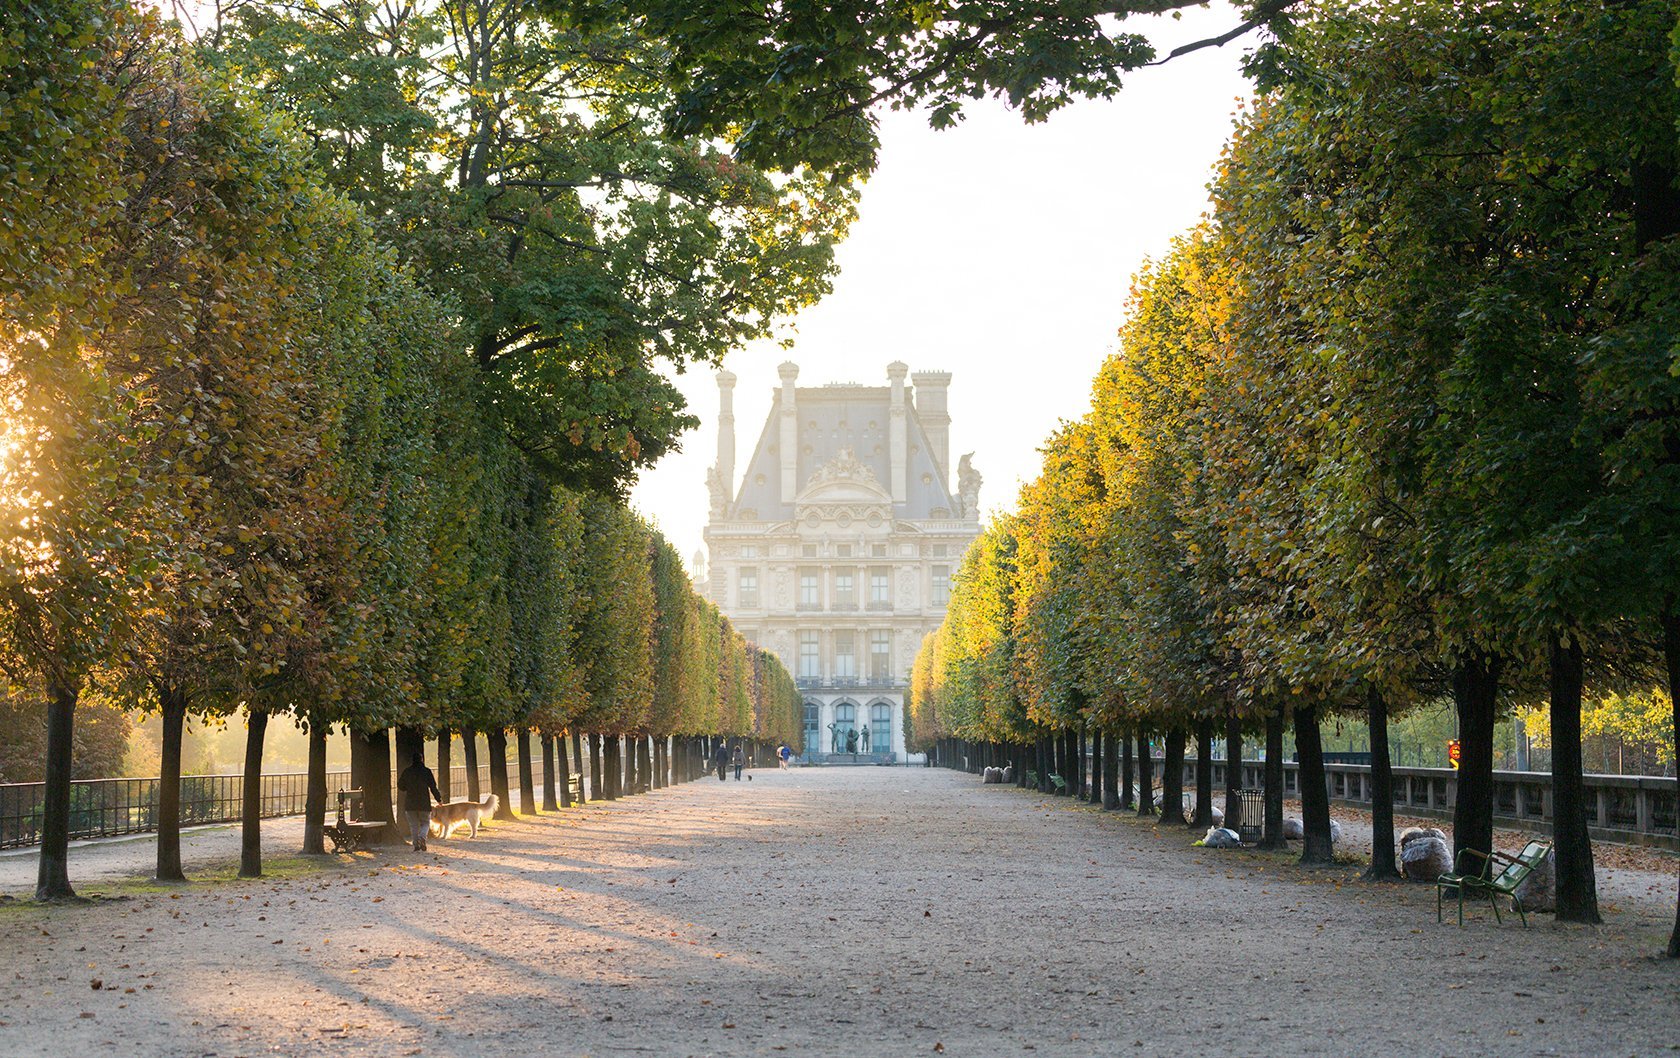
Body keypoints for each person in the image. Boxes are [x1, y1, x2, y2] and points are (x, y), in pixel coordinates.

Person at [396, 750, 442, 852]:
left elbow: (400, 785)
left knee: (413, 825)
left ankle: (416, 844)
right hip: (424, 803)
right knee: (425, 823)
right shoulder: (427, 771)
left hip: (410, 803)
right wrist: (438, 799)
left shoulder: (407, 771)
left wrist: (407, 788)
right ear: (422, 760)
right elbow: (433, 787)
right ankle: (422, 837)